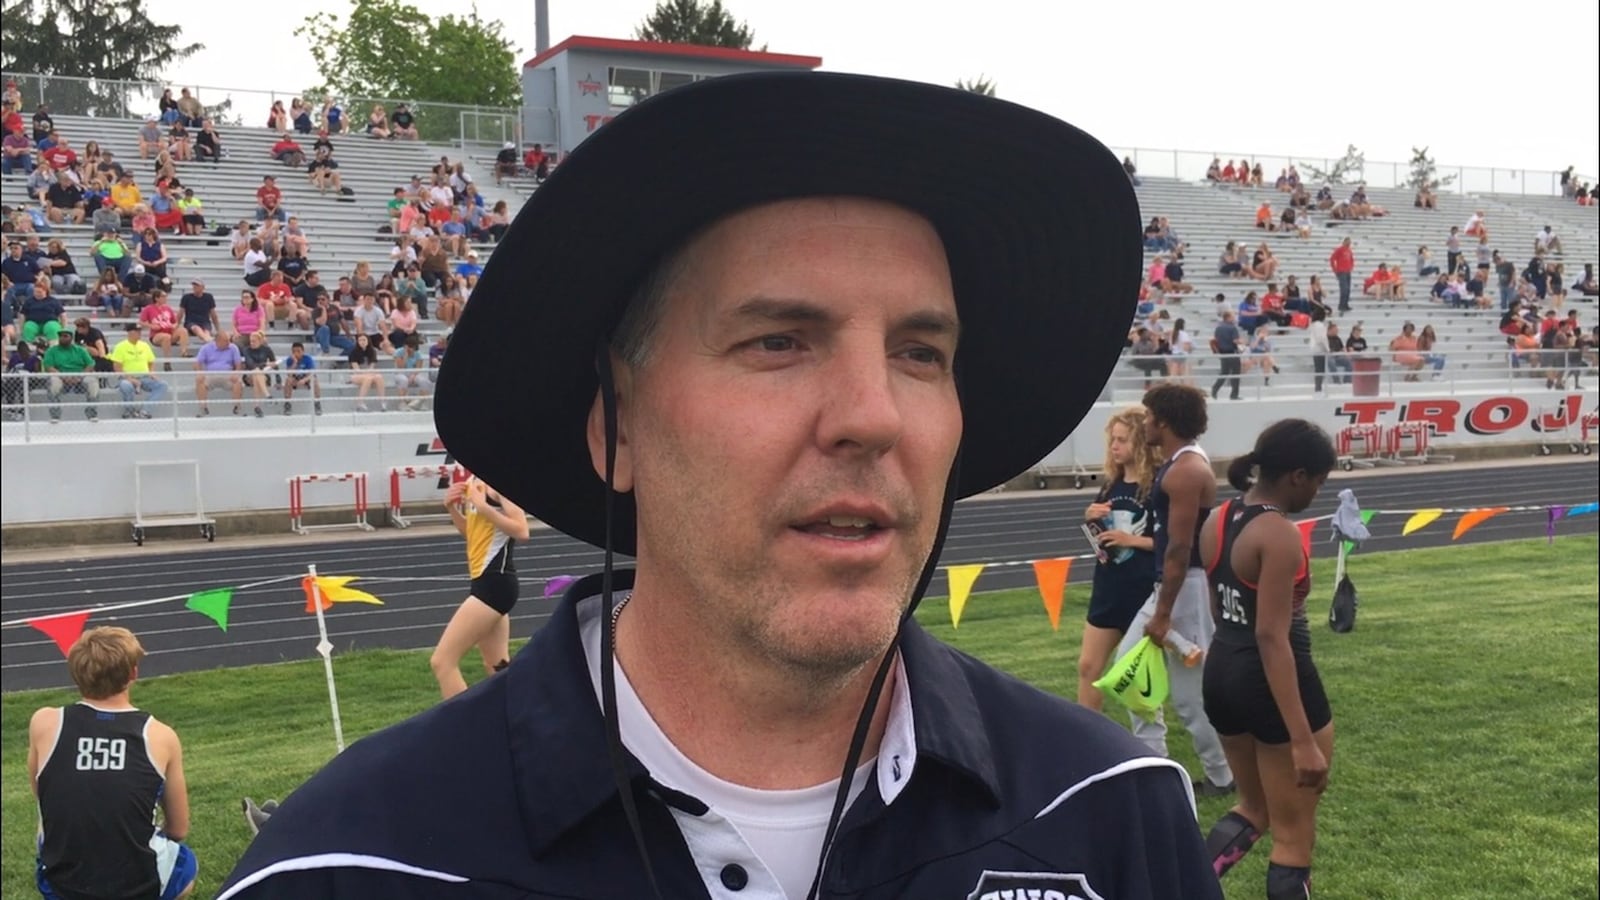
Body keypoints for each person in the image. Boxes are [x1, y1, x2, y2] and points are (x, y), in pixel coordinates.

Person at [221, 72, 1220, 900]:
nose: (871, 415)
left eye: (920, 352)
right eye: (778, 340)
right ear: (618, 428)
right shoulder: (347, 868)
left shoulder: (1113, 815)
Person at [1199, 420, 1337, 900]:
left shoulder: (1218, 519)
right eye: (1319, 482)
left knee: (1252, 808)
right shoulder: (1278, 533)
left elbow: (1222, 611)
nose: (1317, 493)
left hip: (1222, 674)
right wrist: (1302, 740)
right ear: (1298, 475)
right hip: (1274, 681)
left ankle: (1179, 885)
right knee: (1293, 838)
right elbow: (1271, 636)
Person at [1115, 382, 1234, 796]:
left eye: (1149, 416)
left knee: (1190, 695)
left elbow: (1180, 548)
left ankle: (1222, 775)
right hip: (1172, 587)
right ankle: (1156, 766)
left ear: (1163, 421)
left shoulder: (1186, 470)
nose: (1144, 423)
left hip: (1184, 589)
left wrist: (1164, 613)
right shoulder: (1182, 462)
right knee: (1128, 668)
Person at [29, 626, 199, 900]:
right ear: (133, 673)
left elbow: (41, 792)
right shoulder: (160, 735)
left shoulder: (45, 723)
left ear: (75, 672)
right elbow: (179, 828)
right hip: (139, 886)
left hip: (61, 883)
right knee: (186, 867)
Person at [1076, 406, 1160, 711]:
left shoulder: (1158, 485)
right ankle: (1089, 736)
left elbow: (1175, 542)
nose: (1114, 446)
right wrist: (1090, 519)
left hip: (1144, 591)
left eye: (1122, 440)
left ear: (1139, 443)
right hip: (1109, 588)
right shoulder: (1111, 484)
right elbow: (1100, 541)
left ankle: (1148, 742)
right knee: (1088, 667)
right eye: (1113, 439)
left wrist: (1132, 540)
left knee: (1138, 676)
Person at [428, 475, 531, 699]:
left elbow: (522, 530)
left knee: (442, 662)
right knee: (497, 666)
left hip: (496, 584)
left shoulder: (498, 486)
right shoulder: (472, 483)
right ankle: (517, 719)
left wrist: (484, 507)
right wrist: (452, 509)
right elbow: (473, 534)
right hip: (485, 583)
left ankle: (463, 729)